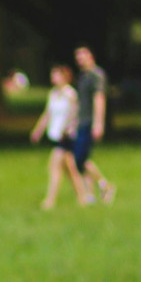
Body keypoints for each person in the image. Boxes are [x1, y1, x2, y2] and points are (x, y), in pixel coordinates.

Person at [28, 65, 85, 210]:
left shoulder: (70, 94)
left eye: (56, 75)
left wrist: (67, 128)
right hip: (55, 134)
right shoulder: (53, 94)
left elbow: (75, 113)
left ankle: (50, 201)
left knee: (54, 167)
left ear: (64, 76)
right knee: (70, 169)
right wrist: (38, 130)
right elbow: (48, 114)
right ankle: (82, 197)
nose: (53, 77)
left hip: (65, 136)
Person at [71, 46, 117, 203]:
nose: (80, 59)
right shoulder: (83, 76)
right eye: (78, 57)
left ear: (91, 56)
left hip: (90, 122)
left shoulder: (97, 75)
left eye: (83, 55)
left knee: (79, 159)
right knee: (82, 159)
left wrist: (98, 124)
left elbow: (99, 99)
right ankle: (90, 194)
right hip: (81, 121)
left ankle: (105, 185)